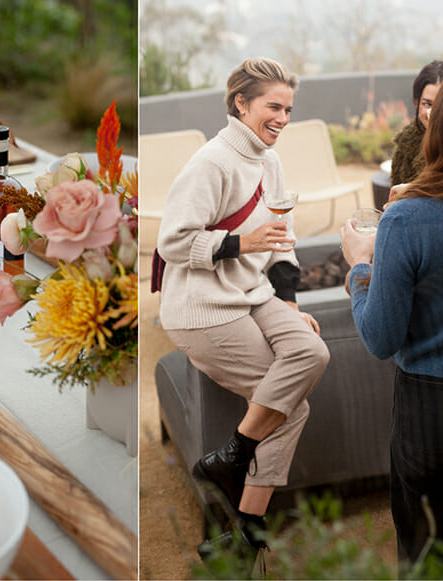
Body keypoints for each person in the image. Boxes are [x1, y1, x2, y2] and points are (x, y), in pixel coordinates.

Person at [155, 57, 330, 555]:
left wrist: (291, 302)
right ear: (241, 103)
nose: (283, 118)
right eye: (273, 106)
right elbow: (172, 243)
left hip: (255, 294)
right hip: (203, 307)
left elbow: (281, 241)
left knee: (313, 353)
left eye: (289, 109)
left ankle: (231, 455)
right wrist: (239, 242)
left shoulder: (269, 161)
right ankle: (247, 531)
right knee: (289, 407)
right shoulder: (210, 162)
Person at [340, 71, 443, 578]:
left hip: (431, 407)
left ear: (437, 132)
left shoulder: (406, 220)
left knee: (427, 558)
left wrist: (361, 266)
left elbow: (380, 337)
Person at [390, 59, 443, 187]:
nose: (433, 113)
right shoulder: (405, 144)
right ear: (417, 103)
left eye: (442, 104)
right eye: (427, 104)